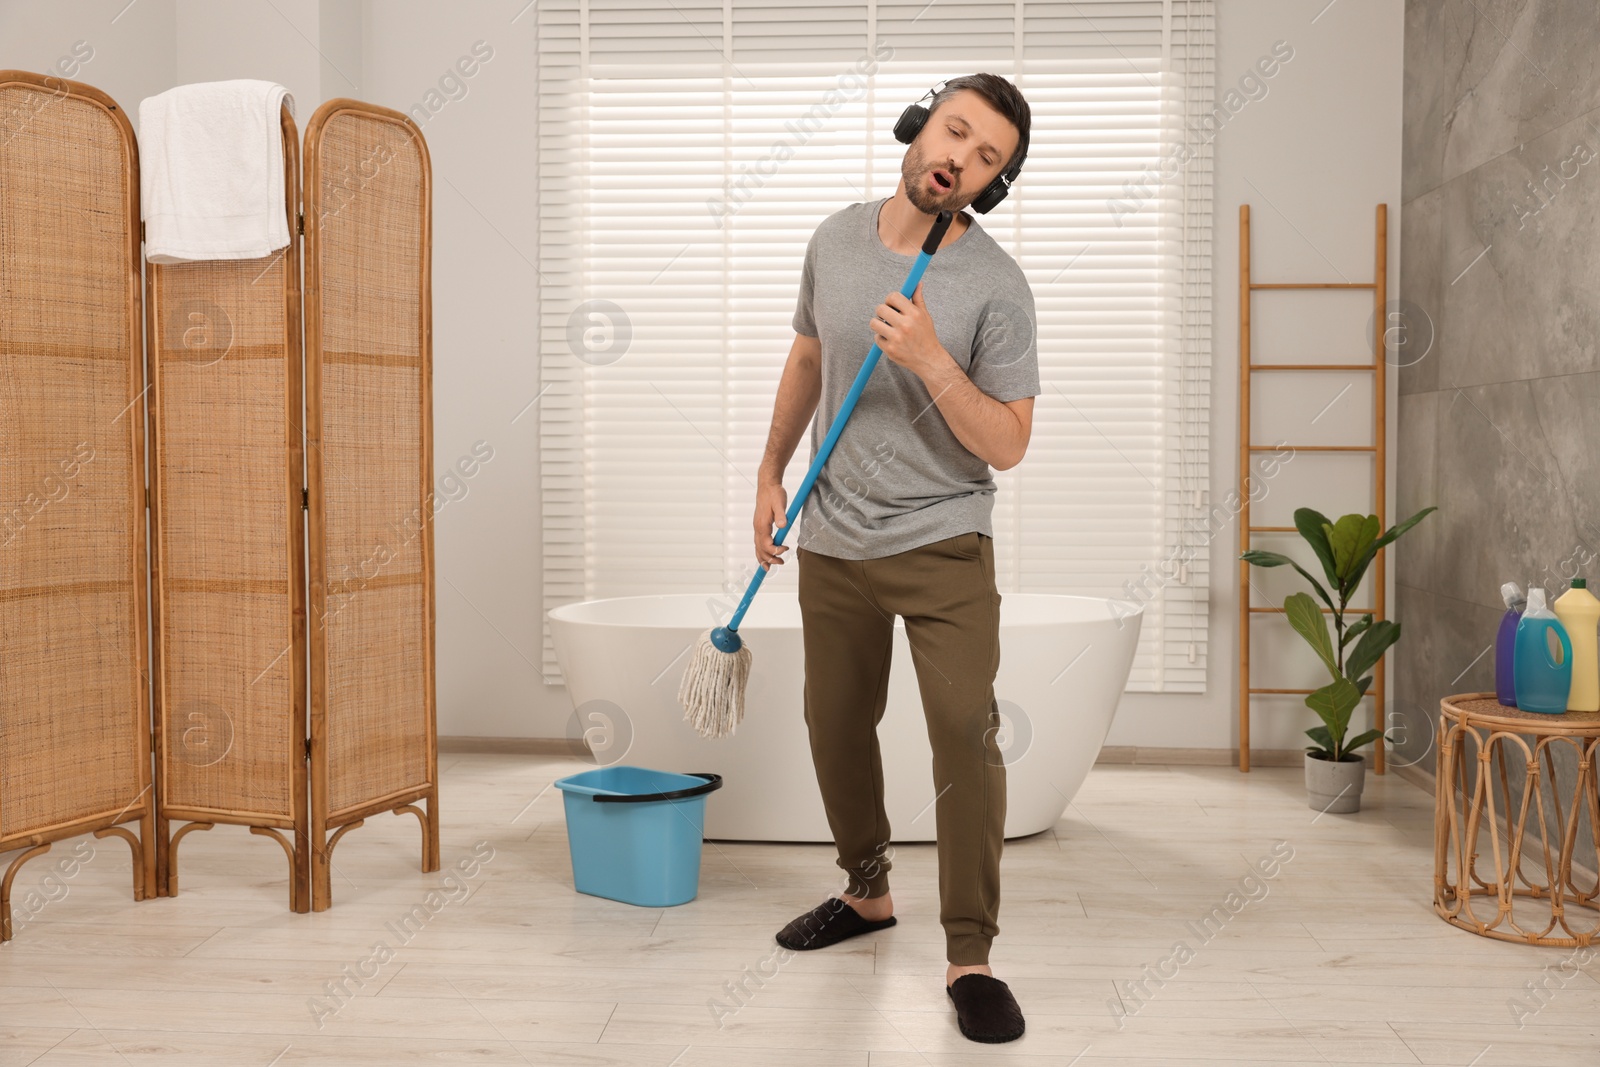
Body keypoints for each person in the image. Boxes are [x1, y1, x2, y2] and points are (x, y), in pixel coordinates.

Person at [753, 73, 1039, 1044]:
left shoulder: (995, 284)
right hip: (834, 532)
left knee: (963, 729)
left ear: (992, 182)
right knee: (833, 720)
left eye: (987, 156)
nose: (961, 157)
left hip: (942, 537)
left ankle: (970, 954)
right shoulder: (834, 240)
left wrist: (929, 358)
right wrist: (768, 474)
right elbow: (805, 360)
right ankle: (866, 892)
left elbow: (1005, 441)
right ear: (920, 128)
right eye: (955, 132)